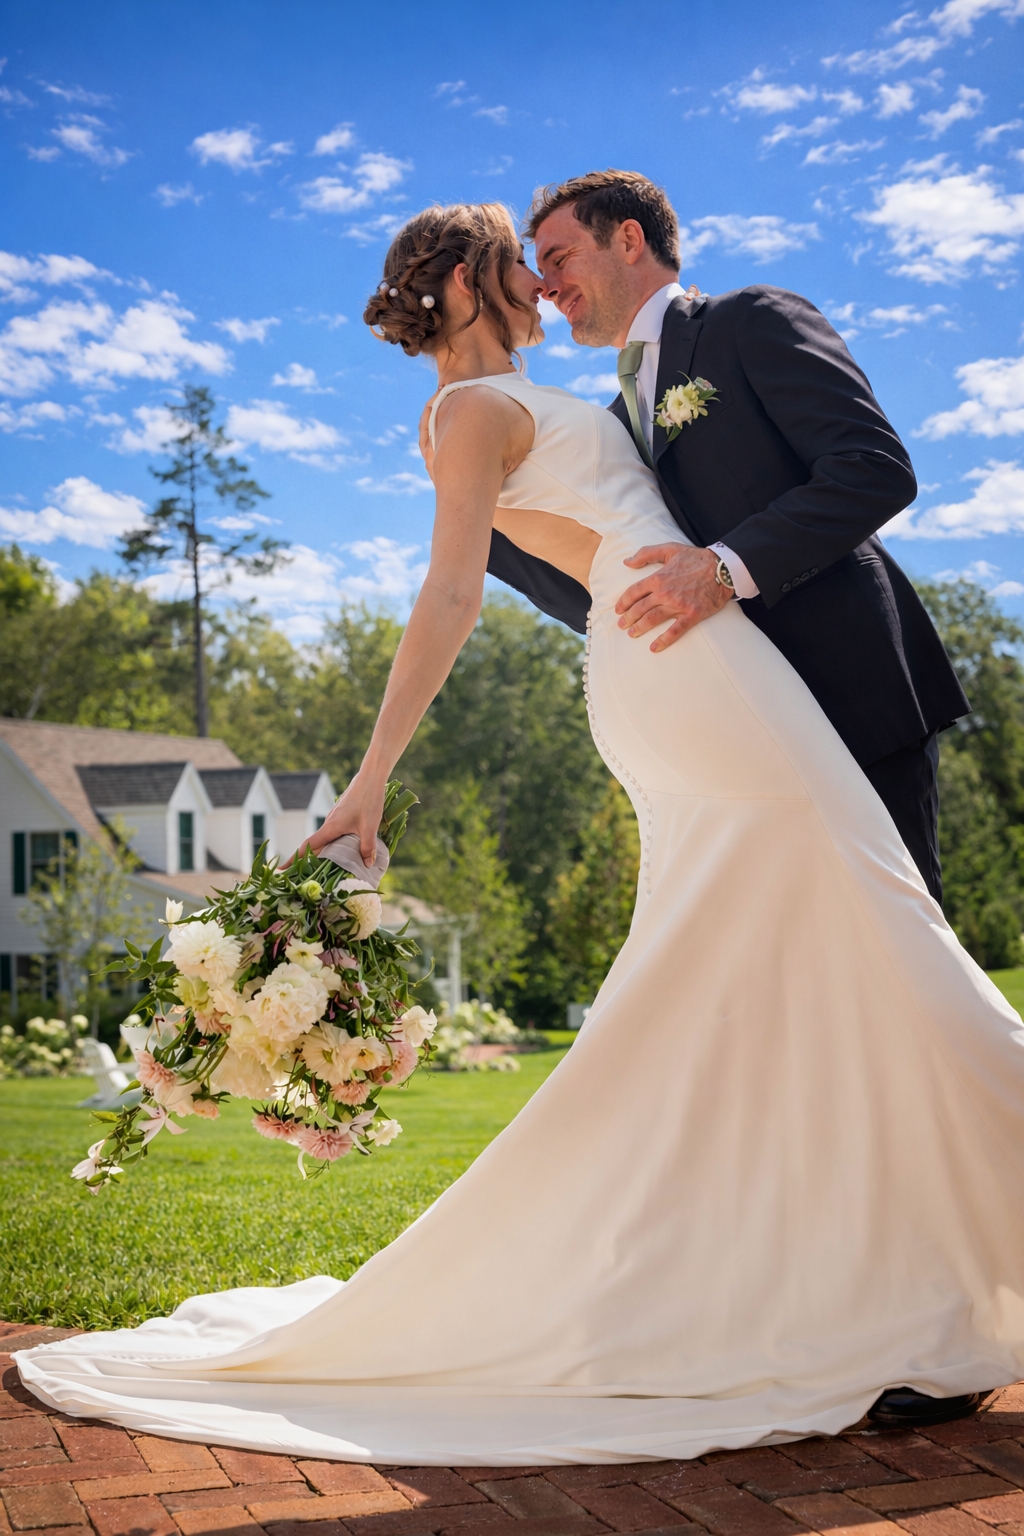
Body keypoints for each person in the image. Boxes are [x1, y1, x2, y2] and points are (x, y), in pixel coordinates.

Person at [17, 201, 1024, 1469]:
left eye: (554, 259)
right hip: (690, 674)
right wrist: (369, 780)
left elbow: (646, 521)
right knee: (886, 946)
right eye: (520, 262)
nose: (543, 287)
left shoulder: (588, 385)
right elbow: (453, 590)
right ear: (458, 283)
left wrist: (666, 583)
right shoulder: (468, 415)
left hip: (704, 660)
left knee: (808, 965)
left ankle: (842, 1288)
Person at [488, 170, 969, 910]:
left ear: (628, 238)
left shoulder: (750, 320)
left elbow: (873, 469)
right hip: (740, 733)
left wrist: (721, 569)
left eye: (557, 257)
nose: (545, 284)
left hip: (852, 695)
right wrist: (478, 501)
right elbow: (607, 582)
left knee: (906, 958)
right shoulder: (608, 427)